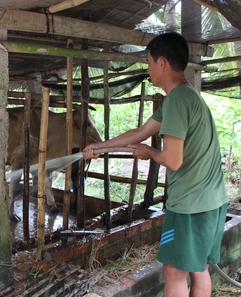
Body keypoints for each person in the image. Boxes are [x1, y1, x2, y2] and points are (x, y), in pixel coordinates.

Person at [82, 32, 228, 297]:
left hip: (190, 206)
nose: (148, 70)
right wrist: (98, 147)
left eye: (148, 63)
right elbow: (140, 132)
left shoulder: (176, 101)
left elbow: (172, 160)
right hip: (212, 202)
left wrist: (149, 152)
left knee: (173, 271)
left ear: (162, 63)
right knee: (199, 269)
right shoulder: (187, 96)